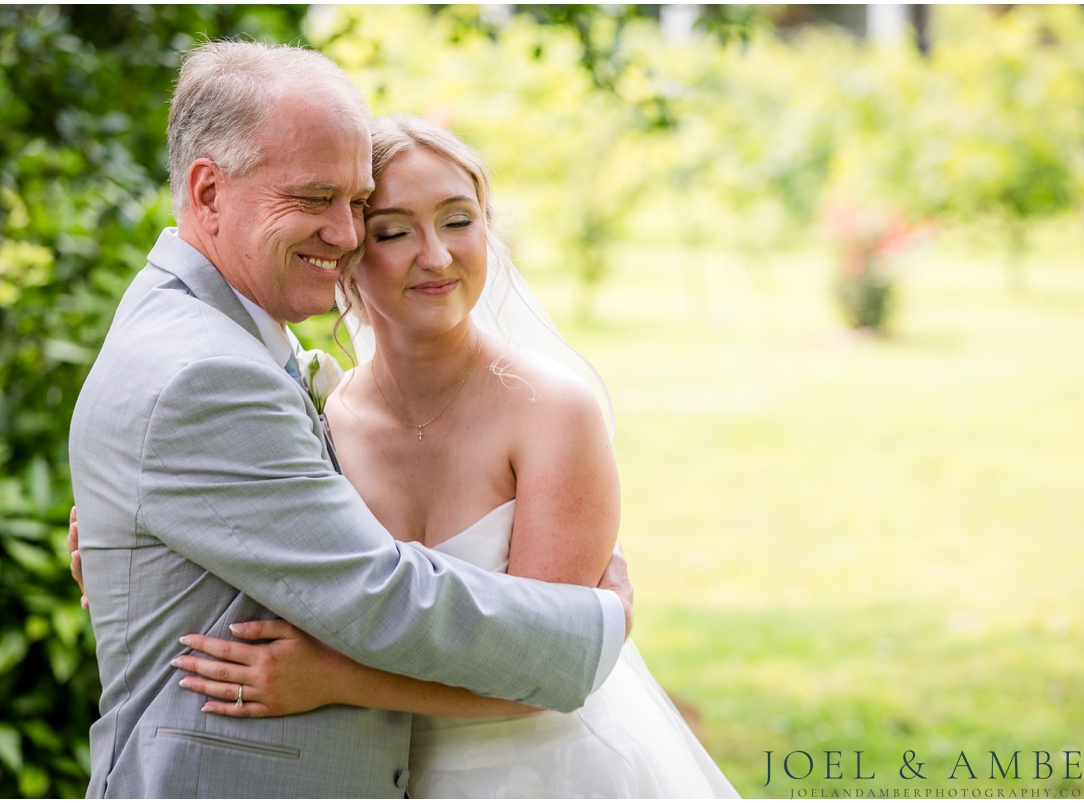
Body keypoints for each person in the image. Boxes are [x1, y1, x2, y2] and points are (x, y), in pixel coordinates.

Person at [67, 41, 632, 798]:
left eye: (355, 203)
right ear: (207, 192)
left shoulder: (223, 337)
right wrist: (590, 626)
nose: (344, 233)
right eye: (314, 199)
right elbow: (375, 590)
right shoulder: (210, 368)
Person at [164, 115, 741, 797]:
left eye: (458, 221)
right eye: (395, 231)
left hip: (552, 772)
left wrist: (332, 679)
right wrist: (117, 533)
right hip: (386, 774)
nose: (435, 256)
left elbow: (542, 667)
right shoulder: (319, 411)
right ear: (347, 248)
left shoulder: (552, 410)